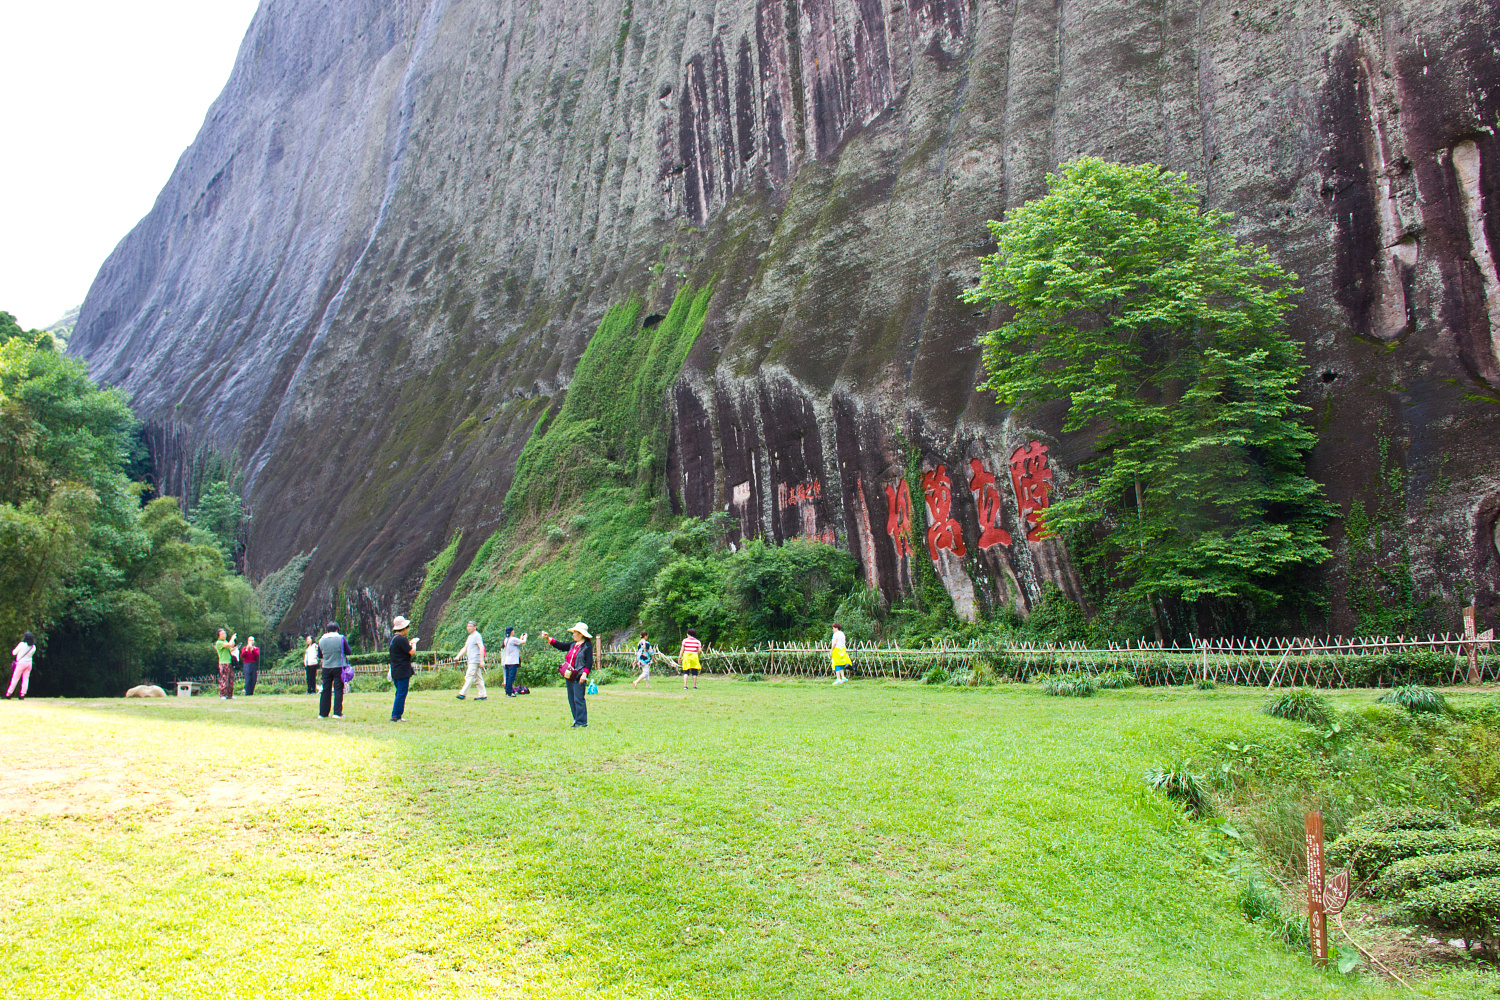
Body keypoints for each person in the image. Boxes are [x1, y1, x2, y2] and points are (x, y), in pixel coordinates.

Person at [541, 622, 593, 728]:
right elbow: (561, 645)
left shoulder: (587, 646)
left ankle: (582, 721)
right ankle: (576, 719)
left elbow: (589, 661)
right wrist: (548, 638)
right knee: (572, 698)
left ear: (581, 634)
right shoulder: (573, 645)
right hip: (570, 676)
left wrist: (584, 674)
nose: (573, 634)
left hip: (579, 676)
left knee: (578, 698)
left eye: (575, 632)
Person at [318, 621, 351, 719]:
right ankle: (337, 713)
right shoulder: (341, 638)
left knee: (326, 689)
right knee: (338, 689)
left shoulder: (321, 640)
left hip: (326, 667)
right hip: (338, 666)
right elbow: (348, 651)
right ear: (337, 629)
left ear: (327, 630)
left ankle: (323, 713)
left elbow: (320, 655)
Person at [389, 616, 419, 722]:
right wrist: (414, 644)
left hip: (395, 670)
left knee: (399, 692)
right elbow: (411, 652)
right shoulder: (401, 639)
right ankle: (396, 715)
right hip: (402, 670)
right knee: (401, 693)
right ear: (404, 628)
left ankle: (396, 714)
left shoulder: (394, 639)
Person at [456, 620, 487, 700]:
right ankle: (482, 695)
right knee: (478, 678)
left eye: (470, 626)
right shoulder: (470, 637)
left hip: (475, 660)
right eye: (468, 626)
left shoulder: (477, 635)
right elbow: (465, 648)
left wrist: (481, 660)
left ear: (475, 627)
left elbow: (481, 647)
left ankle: (462, 694)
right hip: (471, 660)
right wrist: (458, 656)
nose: (468, 628)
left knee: (469, 676)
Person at [6, 632, 37, 700]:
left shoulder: (22, 645)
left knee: (15, 679)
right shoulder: (33, 647)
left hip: (21, 663)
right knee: (25, 679)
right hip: (29, 663)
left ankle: (9, 694)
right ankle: (22, 695)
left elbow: (14, 653)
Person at [501, 626, 527, 697]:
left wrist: (520, 638)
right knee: (511, 677)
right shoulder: (513, 639)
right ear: (512, 631)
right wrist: (525, 637)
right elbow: (523, 642)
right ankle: (509, 692)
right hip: (513, 662)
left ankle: (507, 691)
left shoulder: (506, 640)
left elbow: (518, 642)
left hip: (507, 661)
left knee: (508, 677)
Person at [214, 628, 236, 699]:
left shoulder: (225, 641)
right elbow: (229, 644)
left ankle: (229, 694)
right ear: (219, 635)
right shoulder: (219, 642)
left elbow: (231, 646)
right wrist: (232, 638)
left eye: (225, 633)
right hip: (223, 662)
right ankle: (222, 694)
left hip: (229, 662)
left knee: (231, 679)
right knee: (224, 679)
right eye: (222, 634)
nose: (224, 635)